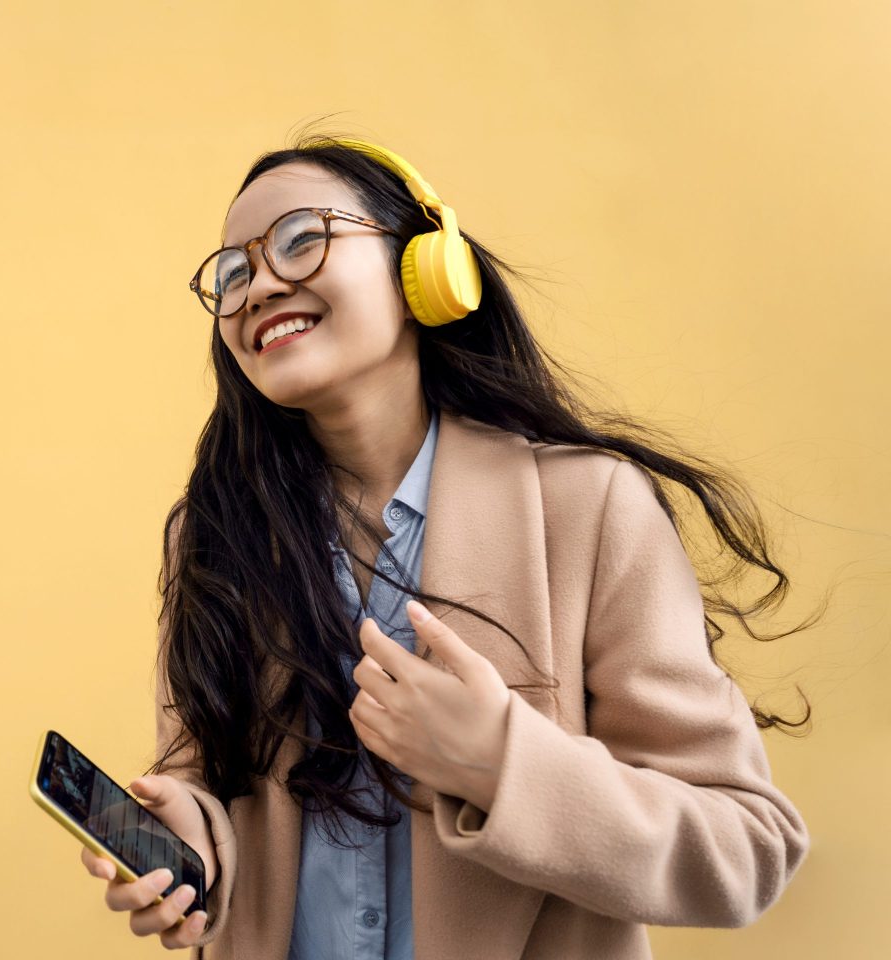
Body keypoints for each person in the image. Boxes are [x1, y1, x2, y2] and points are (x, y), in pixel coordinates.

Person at [80, 133, 812, 958]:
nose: (260, 286)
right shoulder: (211, 537)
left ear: (422, 268)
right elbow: (200, 776)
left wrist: (500, 764)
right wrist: (191, 832)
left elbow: (746, 849)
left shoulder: (588, 506)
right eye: (234, 273)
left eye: (300, 239)